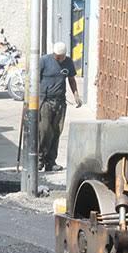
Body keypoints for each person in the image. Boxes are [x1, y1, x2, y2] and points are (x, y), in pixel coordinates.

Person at [38, 42, 82, 172]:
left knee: (56, 131)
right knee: (44, 131)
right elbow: (34, 79)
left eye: (60, 56)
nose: (58, 58)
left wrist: (76, 95)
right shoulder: (44, 61)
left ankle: (51, 162)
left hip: (60, 102)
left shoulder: (68, 62)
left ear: (64, 55)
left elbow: (71, 79)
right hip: (45, 101)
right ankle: (39, 160)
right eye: (56, 56)